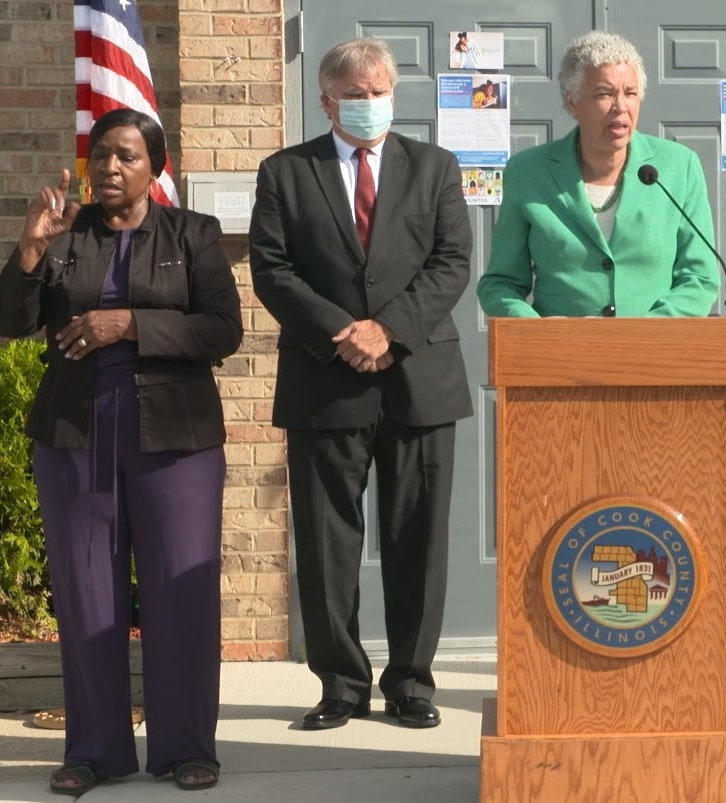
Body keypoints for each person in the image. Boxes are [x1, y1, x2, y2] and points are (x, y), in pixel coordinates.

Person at [0, 108, 242, 793]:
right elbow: (8, 322)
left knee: (178, 588)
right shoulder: (66, 236)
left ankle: (186, 746)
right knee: (86, 590)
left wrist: (126, 323)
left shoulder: (193, 235)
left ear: (155, 168)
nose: (108, 168)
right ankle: (93, 750)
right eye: (99, 156)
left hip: (177, 436)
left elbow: (222, 329)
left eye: (126, 156)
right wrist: (31, 249)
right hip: (76, 433)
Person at [248, 37, 472, 732]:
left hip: (418, 377)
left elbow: (451, 259)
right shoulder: (286, 172)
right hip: (326, 379)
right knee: (326, 543)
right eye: (355, 93)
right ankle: (340, 682)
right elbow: (272, 267)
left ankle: (410, 680)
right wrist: (344, 331)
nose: (369, 103)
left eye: (379, 92)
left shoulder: (433, 167)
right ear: (325, 99)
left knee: (417, 538)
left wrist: (389, 330)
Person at [477, 31, 719, 318]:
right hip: (561, 356)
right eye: (605, 94)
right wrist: (539, 332)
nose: (621, 107)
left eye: (630, 93)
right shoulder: (528, 172)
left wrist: (640, 336)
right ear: (572, 102)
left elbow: (700, 278)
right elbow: (500, 284)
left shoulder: (679, 167)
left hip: (655, 353)